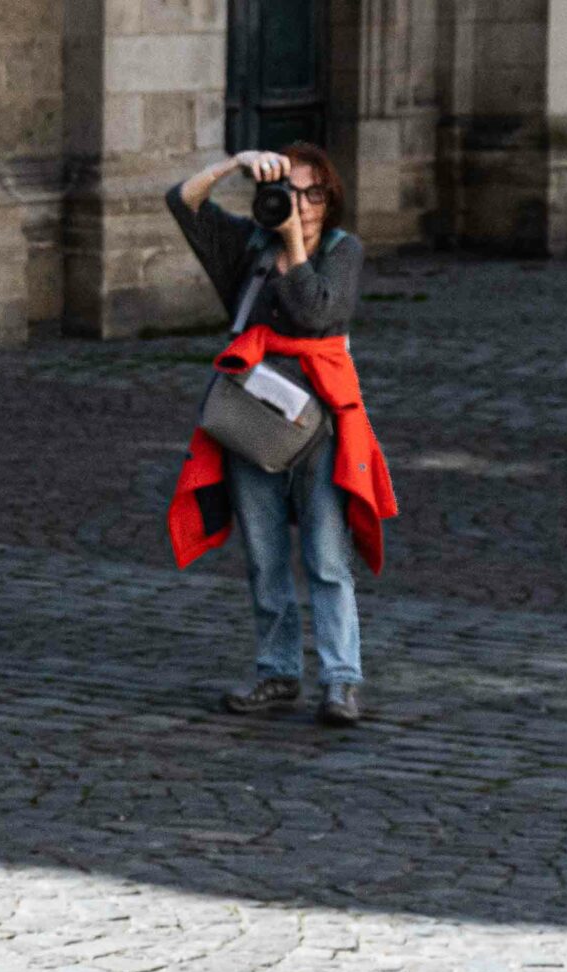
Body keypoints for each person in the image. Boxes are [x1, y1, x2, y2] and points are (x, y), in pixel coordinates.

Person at [163, 143, 395, 729]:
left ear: (330, 200)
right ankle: (278, 671)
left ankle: (341, 680)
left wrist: (293, 244)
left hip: (322, 425)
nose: (302, 205)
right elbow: (182, 201)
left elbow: (315, 314)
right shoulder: (249, 247)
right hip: (252, 419)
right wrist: (235, 164)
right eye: (290, 192)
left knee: (326, 557)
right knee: (265, 557)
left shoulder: (342, 251)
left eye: (314, 194)